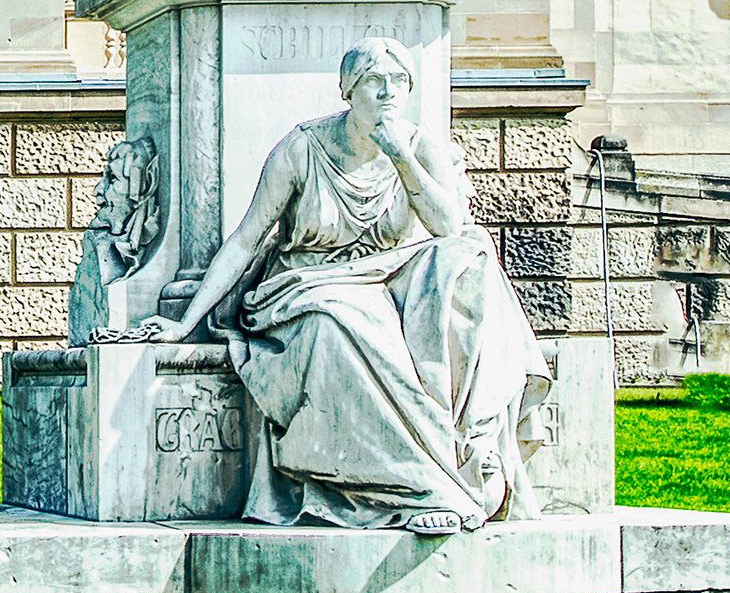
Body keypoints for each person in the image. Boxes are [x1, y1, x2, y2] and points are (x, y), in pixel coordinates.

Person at [117, 46, 557, 533]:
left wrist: (401, 158)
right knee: (338, 319)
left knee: (469, 258)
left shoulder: (418, 146)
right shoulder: (302, 149)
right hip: (304, 288)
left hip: (387, 279)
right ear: (347, 90)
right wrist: (185, 323)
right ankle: (416, 486)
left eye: (398, 80)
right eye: (373, 80)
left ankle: (473, 451)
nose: (388, 91)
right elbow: (246, 239)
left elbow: (450, 226)